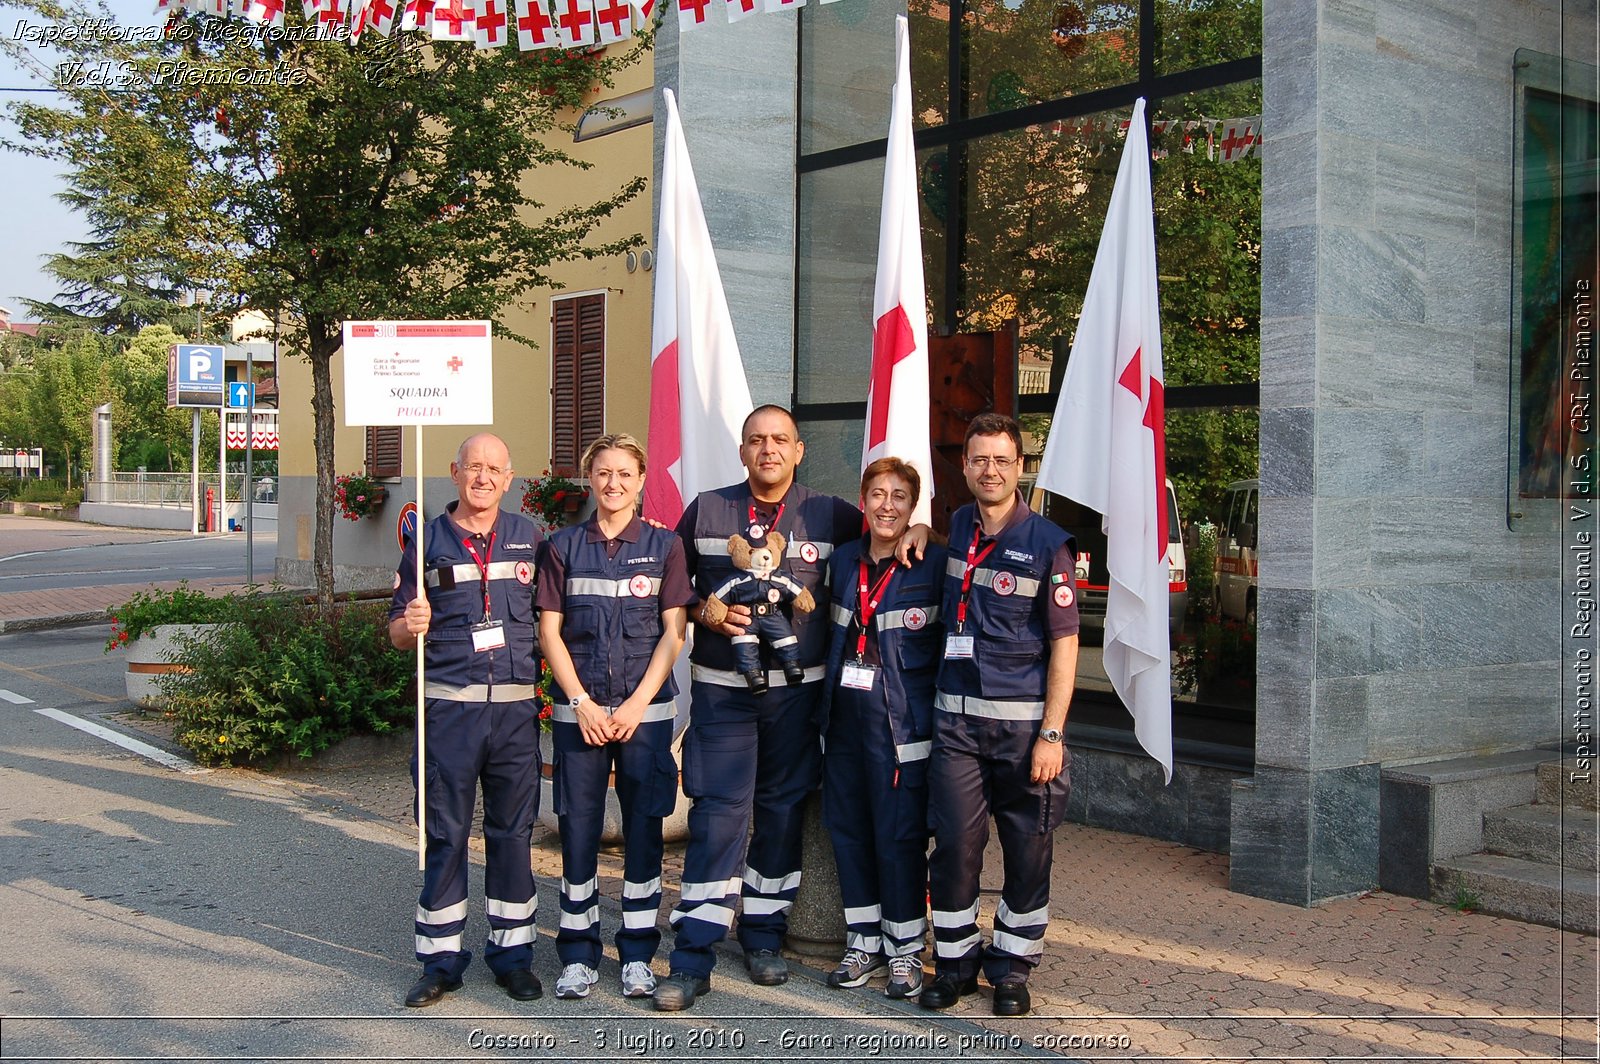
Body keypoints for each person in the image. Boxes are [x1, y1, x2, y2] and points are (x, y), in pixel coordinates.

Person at [654, 404, 926, 1011]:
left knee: (780, 815)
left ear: (799, 450)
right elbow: (675, 588)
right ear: (743, 451)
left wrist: (922, 530)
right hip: (724, 695)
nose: (768, 449)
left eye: (780, 440)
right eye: (757, 440)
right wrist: (707, 611)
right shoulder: (706, 509)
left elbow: (890, 534)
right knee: (719, 816)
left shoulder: (831, 513)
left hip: (798, 701)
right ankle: (694, 953)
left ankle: (763, 936)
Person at [921, 412, 1079, 1019]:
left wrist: (1052, 734)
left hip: (1024, 733)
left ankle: (1012, 968)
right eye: (979, 459)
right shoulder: (958, 525)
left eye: (1001, 460)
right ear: (964, 467)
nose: (990, 470)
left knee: (1028, 848)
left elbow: (1065, 646)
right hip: (957, 730)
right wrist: (917, 533)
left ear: (1019, 467)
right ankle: (956, 964)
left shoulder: (1048, 544)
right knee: (956, 847)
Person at [389, 433, 545, 1008]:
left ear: (510, 479)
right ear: (454, 472)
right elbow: (397, 635)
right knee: (446, 834)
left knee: (512, 835)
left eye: (494, 469)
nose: (483, 477)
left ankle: (513, 955)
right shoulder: (424, 540)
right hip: (448, 713)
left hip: (514, 715)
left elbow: (551, 622)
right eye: (473, 467)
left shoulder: (531, 538)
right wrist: (412, 620)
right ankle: (440, 960)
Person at [536, 434, 694, 1001]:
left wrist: (633, 704)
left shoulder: (665, 546)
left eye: (624, 474)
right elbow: (549, 632)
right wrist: (580, 702)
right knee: (577, 828)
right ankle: (577, 954)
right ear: (589, 478)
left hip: (643, 713)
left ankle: (636, 954)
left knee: (645, 829)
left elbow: (675, 631)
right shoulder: (561, 547)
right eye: (603, 473)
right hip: (579, 712)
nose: (613, 484)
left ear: (641, 479)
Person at [820, 457, 947, 1000]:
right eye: (878, 494)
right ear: (863, 499)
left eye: (899, 496)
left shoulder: (930, 560)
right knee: (848, 834)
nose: (887, 505)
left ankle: (905, 951)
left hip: (902, 728)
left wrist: (927, 532)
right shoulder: (844, 559)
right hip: (843, 725)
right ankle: (864, 940)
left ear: (912, 506)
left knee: (899, 840)